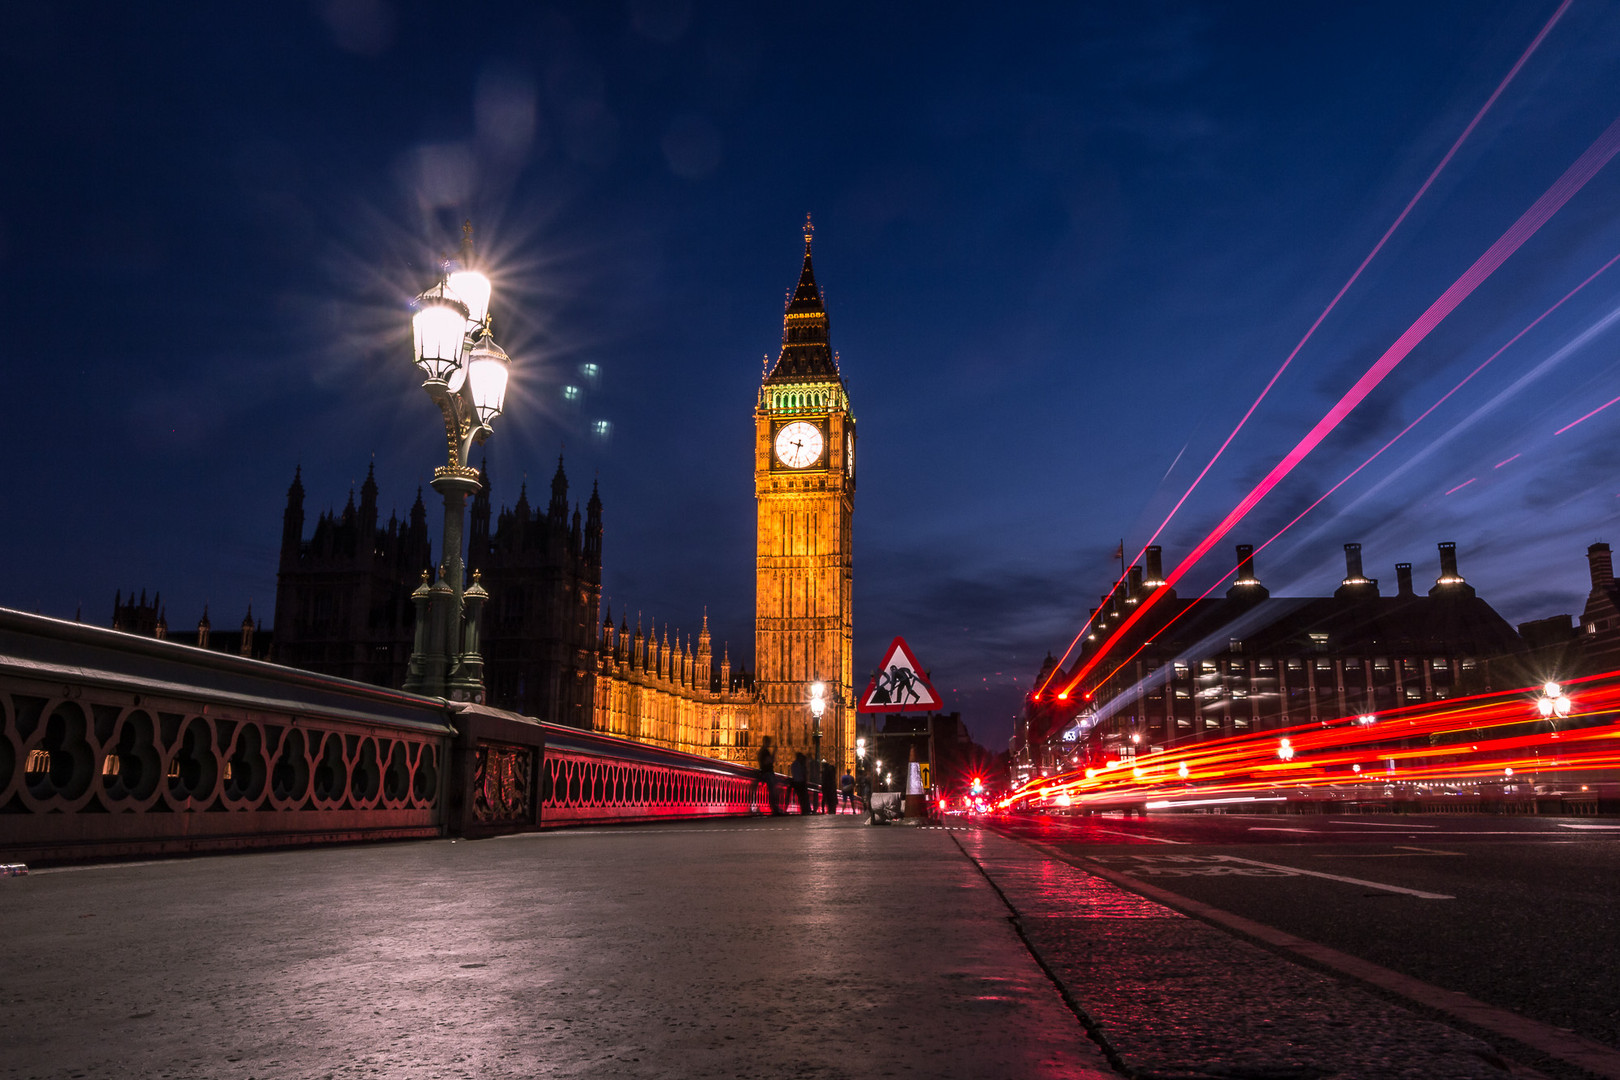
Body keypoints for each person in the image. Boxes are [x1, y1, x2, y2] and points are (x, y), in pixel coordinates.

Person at [757, 736, 780, 815]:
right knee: (773, 791)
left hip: (766, 773)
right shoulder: (765, 751)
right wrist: (774, 752)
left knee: (773, 791)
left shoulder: (762, 751)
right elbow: (769, 761)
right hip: (767, 774)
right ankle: (774, 808)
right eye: (768, 742)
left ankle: (775, 808)